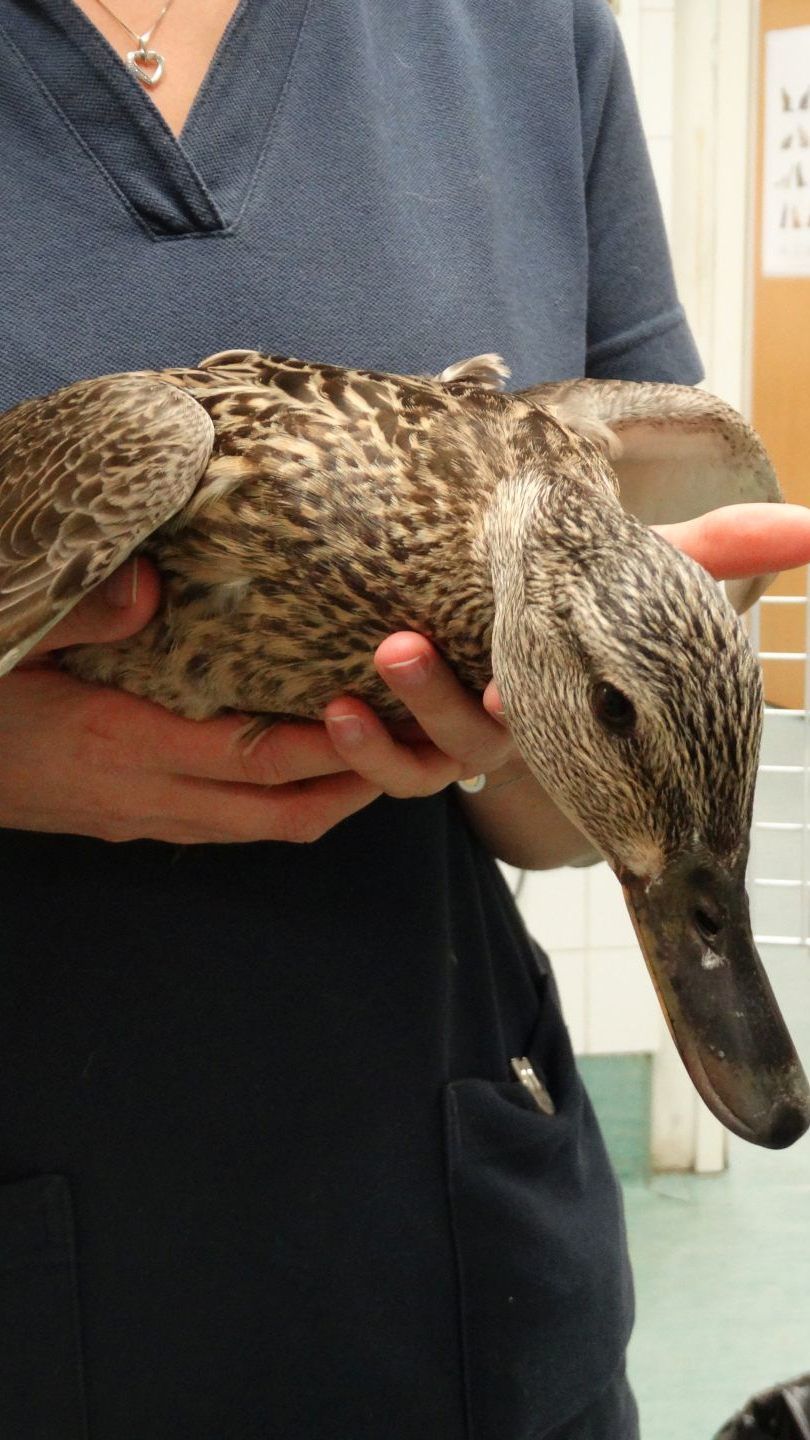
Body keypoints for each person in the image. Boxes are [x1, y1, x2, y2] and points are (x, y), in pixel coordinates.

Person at [2, 3, 809, 1436]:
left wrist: (510, 742)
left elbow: (554, 814)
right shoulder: (149, 456)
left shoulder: (524, 32)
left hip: (436, 1225)